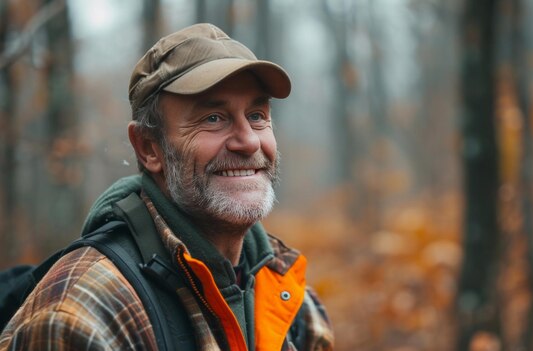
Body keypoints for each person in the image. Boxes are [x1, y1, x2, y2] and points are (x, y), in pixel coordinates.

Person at [0, 23, 334, 350]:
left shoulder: (292, 297)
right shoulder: (82, 315)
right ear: (149, 147)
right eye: (213, 118)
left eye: (257, 115)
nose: (248, 141)